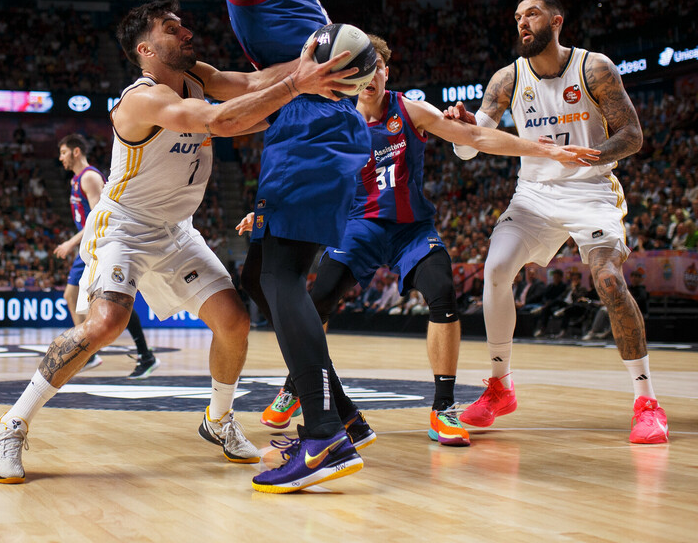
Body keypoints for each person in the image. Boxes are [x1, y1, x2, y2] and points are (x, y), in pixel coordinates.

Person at [38, 0, 372, 493]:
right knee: (258, 280)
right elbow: (249, 85)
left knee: (279, 279)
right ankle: (343, 414)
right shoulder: (253, 3)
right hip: (304, 129)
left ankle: (326, 435)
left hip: (314, 129)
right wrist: (303, 73)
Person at [0, 0, 358, 488]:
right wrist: (297, 85)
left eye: (183, 25)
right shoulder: (139, 99)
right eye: (171, 28)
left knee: (234, 320)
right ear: (145, 48)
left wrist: (310, 65)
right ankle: (10, 424)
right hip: (124, 224)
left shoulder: (197, 75)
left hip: (176, 229)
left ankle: (218, 421)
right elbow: (223, 122)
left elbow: (248, 84)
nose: (185, 32)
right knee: (107, 320)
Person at [242, 34, 598, 447]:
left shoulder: (410, 110)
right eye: (361, 68)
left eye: (377, 67)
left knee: (443, 292)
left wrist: (544, 150)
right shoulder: (336, 115)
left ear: (385, 72)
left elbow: (477, 139)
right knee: (314, 301)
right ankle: (296, 387)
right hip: (359, 227)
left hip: (410, 229)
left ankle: (443, 408)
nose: (370, 76)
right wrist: (268, 210)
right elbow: (302, 170)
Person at [446, 0, 668, 444]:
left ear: (557, 21)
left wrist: (590, 156)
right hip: (534, 193)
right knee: (495, 269)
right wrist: (463, 128)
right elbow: (470, 149)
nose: (522, 23)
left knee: (608, 279)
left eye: (532, 15)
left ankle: (646, 400)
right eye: (517, 17)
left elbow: (632, 135)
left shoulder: (594, 68)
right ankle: (499, 386)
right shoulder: (506, 79)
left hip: (590, 189)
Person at [53, 133, 160, 378]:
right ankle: (91, 353)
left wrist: (71, 242)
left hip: (99, 243)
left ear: (76, 151)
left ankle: (138, 354)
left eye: (63, 152)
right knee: (80, 297)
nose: (60, 158)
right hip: (91, 244)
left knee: (111, 299)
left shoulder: (89, 177)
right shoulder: (77, 179)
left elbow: (98, 218)